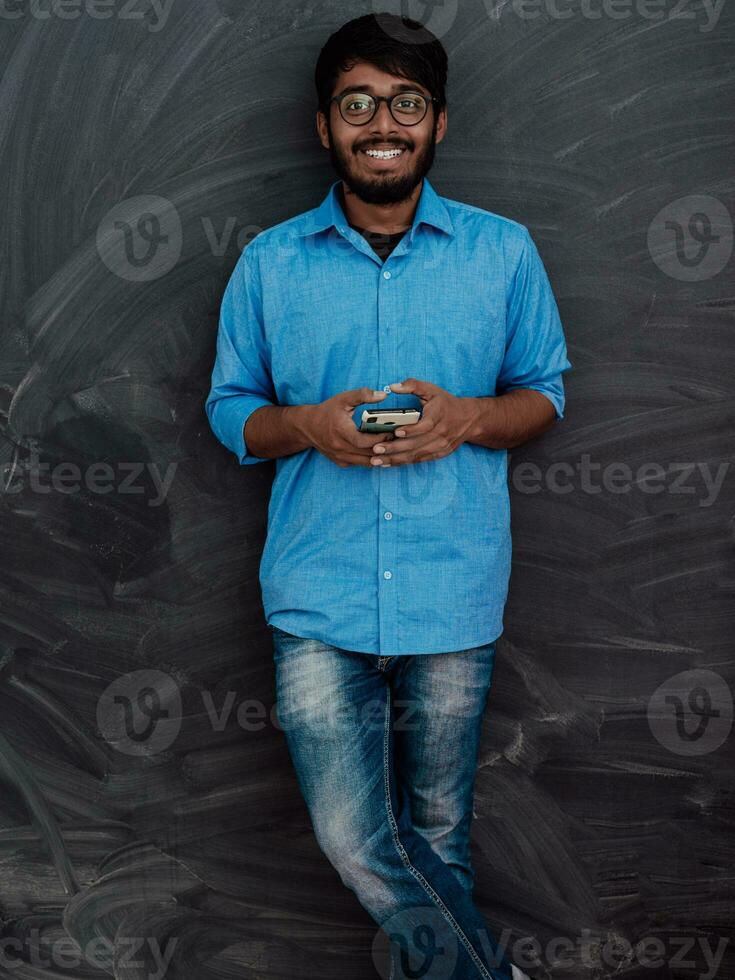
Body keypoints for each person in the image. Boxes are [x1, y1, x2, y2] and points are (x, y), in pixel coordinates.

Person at [205, 12, 571, 979]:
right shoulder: (270, 262)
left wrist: (465, 419)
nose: (383, 123)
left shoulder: (502, 253)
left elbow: (544, 393)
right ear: (324, 125)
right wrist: (308, 428)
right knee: (359, 837)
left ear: (437, 124)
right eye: (357, 102)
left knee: (440, 839)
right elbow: (229, 408)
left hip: (453, 592)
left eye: (406, 103)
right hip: (318, 595)